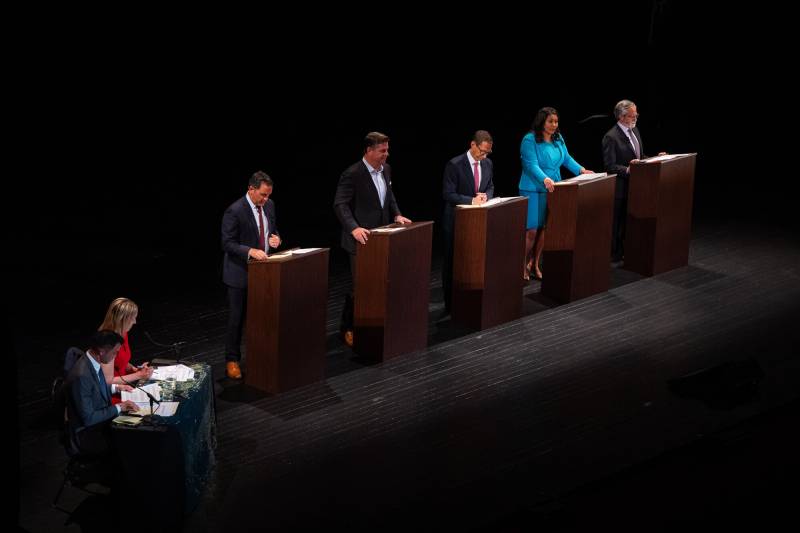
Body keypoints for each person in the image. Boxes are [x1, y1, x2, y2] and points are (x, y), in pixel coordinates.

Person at [333, 131, 412, 347]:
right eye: (382, 151)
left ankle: (376, 324)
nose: (386, 154)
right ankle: (348, 327)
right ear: (368, 150)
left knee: (381, 284)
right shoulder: (353, 173)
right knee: (360, 288)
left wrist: (396, 214)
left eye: (387, 150)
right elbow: (340, 205)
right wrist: (354, 228)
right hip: (361, 240)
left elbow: (389, 196)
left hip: (382, 238)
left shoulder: (386, 169)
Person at [519, 107, 594, 280]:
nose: (554, 125)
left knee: (545, 229)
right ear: (542, 122)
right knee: (532, 230)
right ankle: (521, 264)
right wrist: (545, 179)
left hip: (555, 188)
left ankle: (534, 264)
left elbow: (566, 158)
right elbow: (531, 165)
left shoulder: (558, 138)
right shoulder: (529, 140)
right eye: (550, 121)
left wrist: (581, 170)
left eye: (556, 121)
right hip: (533, 188)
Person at [221, 171, 281, 378]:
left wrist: (276, 240)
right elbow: (227, 243)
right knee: (236, 319)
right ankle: (232, 360)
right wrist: (250, 251)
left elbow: (272, 230)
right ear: (251, 189)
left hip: (264, 272)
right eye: (263, 195)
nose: (266, 199)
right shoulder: (235, 211)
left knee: (262, 317)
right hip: (240, 274)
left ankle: (261, 356)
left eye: (269, 195)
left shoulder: (269, 206)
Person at [602, 99, 665, 262]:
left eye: (636, 114)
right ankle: (614, 254)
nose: (635, 117)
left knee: (631, 222)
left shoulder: (635, 131)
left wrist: (654, 159)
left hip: (638, 187)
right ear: (622, 116)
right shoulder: (611, 137)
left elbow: (639, 157)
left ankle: (628, 250)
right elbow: (610, 166)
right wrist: (628, 169)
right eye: (632, 115)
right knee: (618, 223)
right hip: (621, 188)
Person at [441, 130, 495, 312]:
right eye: (482, 151)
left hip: (477, 222)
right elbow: (448, 194)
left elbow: (490, 186)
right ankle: (450, 304)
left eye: (487, 152)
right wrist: (471, 200)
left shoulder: (487, 163)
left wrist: (486, 196)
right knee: (452, 262)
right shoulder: (454, 165)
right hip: (456, 221)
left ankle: (470, 299)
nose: (484, 155)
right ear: (473, 145)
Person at [64, 330, 139, 456]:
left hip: (101, 421)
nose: (115, 357)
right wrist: (119, 407)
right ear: (101, 351)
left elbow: (95, 388)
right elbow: (89, 419)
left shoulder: (92, 360)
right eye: (114, 353)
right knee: (134, 440)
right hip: (89, 433)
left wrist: (116, 388)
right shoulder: (82, 376)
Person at [98, 297, 153, 403]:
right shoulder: (107, 343)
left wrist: (134, 369)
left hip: (125, 386)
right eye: (133, 318)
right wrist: (139, 375)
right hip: (111, 394)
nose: (135, 322)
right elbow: (107, 381)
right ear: (123, 319)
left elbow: (120, 361)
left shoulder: (123, 333)